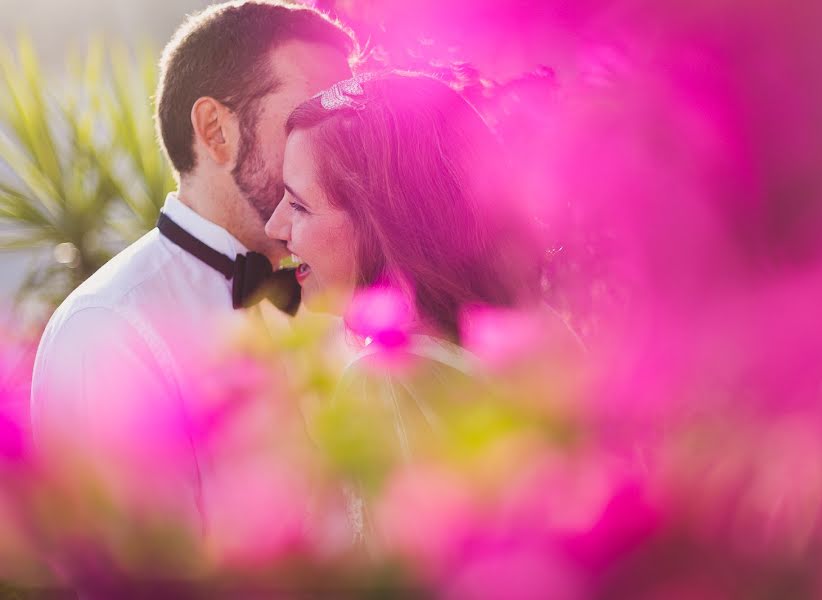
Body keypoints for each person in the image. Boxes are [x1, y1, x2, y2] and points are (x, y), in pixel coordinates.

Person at [30, 0, 355, 541]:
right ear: (215, 130)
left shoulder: (344, 293)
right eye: (306, 120)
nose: (343, 154)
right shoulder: (108, 328)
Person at [265, 72, 545, 543]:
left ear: (384, 224)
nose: (275, 227)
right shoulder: (531, 338)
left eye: (299, 206)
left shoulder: (389, 381)